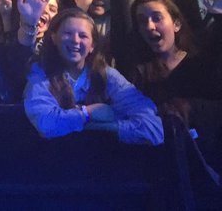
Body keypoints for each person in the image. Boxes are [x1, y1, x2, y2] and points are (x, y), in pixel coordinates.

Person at [24, 8, 163, 144]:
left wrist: (103, 127)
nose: (75, 40)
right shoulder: (40, 73)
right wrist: (88, 113)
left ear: (92, 46)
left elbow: (153, 129)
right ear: (54, 38)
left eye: (83, 36)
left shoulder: (106, 75)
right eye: (68, 33)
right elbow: (46, 124)